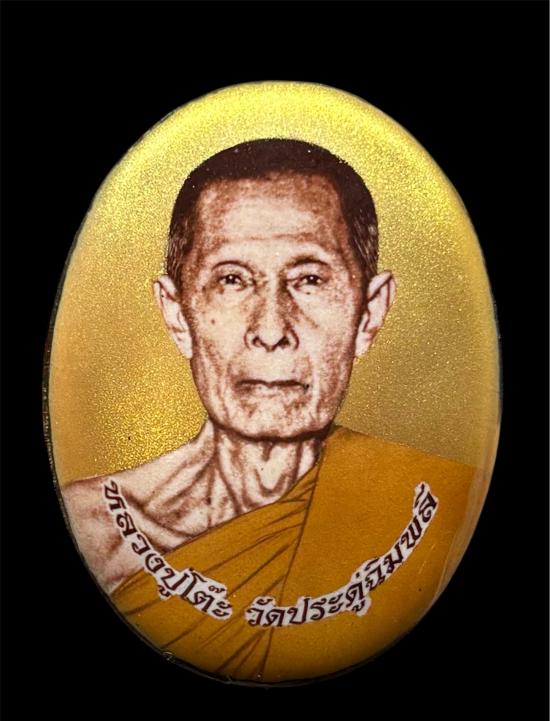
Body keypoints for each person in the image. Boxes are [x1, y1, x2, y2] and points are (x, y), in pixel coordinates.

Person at [62, 140, 477, 683]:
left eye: (310, 279)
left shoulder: (445, 513)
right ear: (179, 315)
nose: (272, 330)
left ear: (368, 314)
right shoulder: (94, 531)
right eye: (232, 280)